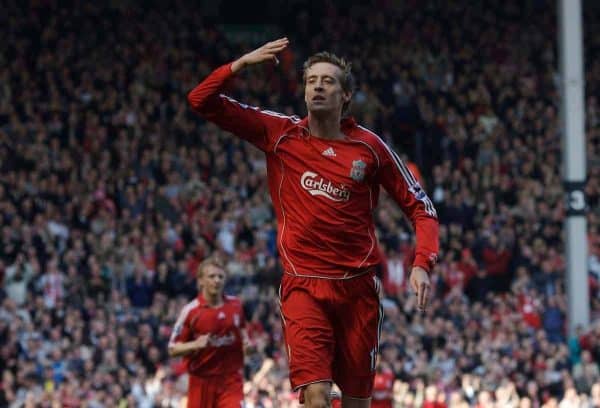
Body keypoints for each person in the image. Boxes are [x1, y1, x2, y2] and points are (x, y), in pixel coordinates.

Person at [187, 38, 439, 407]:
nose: (318, 86)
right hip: (303, 286)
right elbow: (200, 101)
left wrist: (422, 263)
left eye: (328, 81)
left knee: (356, 402)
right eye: (311, 80)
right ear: (304, 91)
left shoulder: (370, 148)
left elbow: (421, 207)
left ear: (346, 96)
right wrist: (239, 65)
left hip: (358, 291)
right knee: (317, 394)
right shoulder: (280, 133)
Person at [168, 257, 247, 407]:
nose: (217, 280)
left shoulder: (236, 306)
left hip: (230, 380)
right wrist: (195, 344)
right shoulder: (190, 311)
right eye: (212, 276)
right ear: (200, 281)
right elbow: (172, 349)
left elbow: (243, 335)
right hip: (201, 381)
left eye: (220, 276)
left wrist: (248, 347)